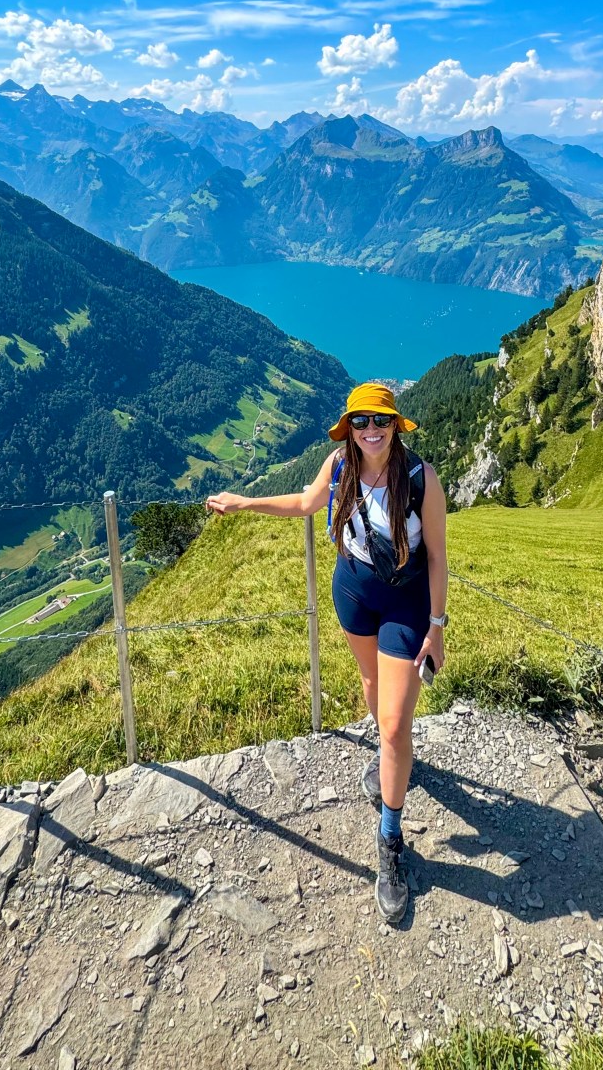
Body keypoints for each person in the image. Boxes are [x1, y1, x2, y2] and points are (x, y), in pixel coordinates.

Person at [206, 381, 449, 924]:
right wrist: (246, 502)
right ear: (349, 428)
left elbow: (436, 556)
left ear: (395, 425)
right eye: (361, 423)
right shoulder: (339, 465)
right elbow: (305, 503)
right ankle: (392, 760)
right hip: (354, 594)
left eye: (380, 422)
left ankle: (390, 839)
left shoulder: (420, 478)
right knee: (371, 691)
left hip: (406, 605)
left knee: (392, 725)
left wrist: (436, 626)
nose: (371, 432)